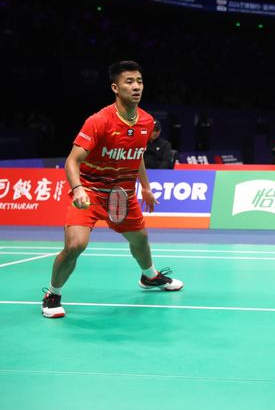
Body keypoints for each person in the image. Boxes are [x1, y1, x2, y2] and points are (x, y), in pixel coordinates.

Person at [41, 61, 184, 319]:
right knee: (76, 245)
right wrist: (78, 189)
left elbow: (136, 154)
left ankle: (149, 276)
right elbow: (72, 161)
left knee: (140, 239)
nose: (136, 86)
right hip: (91, 191)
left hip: (123, 193)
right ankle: (53, 294)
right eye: (129, 81)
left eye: (139, 80)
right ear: (115, 88)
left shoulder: (147, 121)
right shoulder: (99, 121)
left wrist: (146, 188)